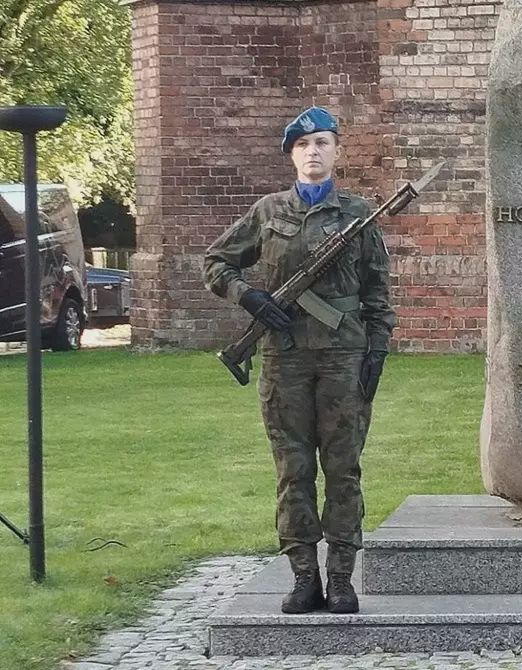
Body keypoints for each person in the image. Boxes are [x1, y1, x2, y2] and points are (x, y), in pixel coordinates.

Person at [204, 106, 395, 614]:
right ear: (292, 154)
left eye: (324, 142)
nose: (314, 151)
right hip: (284, 361)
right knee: (293, 471)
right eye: (304, 144)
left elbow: (378, 290)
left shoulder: (358, 215)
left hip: (342, 359)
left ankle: (341, 579)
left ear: (337, 152)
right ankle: (304, 575)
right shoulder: (268, 213)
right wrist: (249, 297)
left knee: (343, 469)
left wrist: (377, 349)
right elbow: (216, 262)